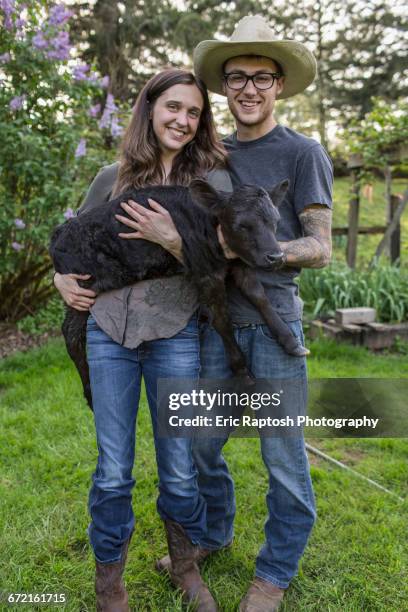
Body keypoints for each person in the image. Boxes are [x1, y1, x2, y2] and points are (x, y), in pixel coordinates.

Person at [147, 15, 333, 612]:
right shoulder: (206, 156)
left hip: (273, 326)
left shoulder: (303, 152)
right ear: (223, 88)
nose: (247, 88)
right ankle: (212, 533)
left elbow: (322, 246)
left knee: (282, 456)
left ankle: (274, 572)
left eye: (261, 77)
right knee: (201, 447)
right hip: (208, 324)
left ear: (279, 85)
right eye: (235, 78)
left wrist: (264, 251)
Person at [54, 68, 231, 612]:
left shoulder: (210, 183)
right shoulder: (111, 176)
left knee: (178, 466)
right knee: (113, 468)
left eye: (194, 112)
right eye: (172, 107)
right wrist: (60, 277)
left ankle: (184, 567)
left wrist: (173, 240)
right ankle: (110, 584)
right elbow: (74, 236)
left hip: (174, 332)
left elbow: (221, 267)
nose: (182, 119)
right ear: (150, 109)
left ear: (201, 122)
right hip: (108, 333)